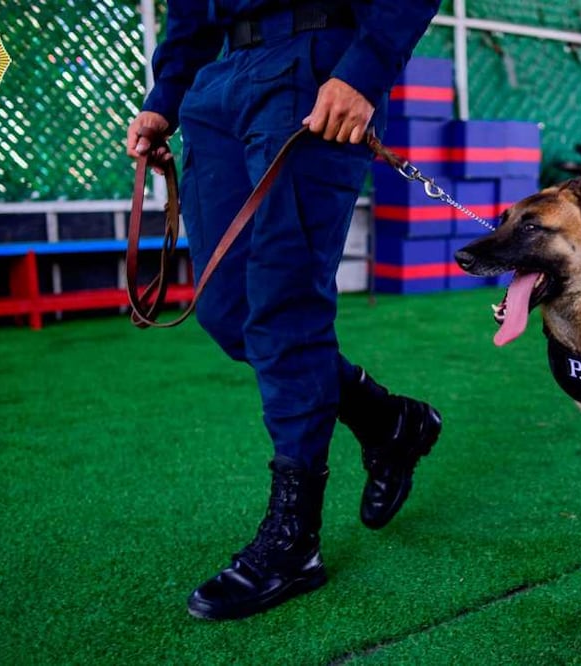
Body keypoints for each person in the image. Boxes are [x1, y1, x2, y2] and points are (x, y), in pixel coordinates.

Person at [125, 0, 443, 621]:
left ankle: (295, 540)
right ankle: (388, 422)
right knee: (227, 310)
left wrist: (363, 69)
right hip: (217, 84)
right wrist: (165, 97)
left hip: (313, 66)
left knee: (283, 304)